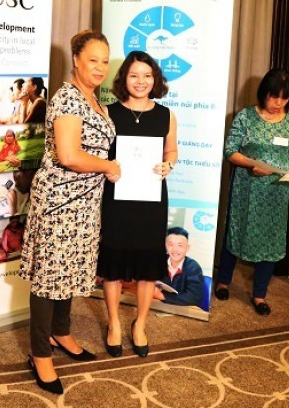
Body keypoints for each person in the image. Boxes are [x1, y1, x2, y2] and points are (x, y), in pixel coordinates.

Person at [18, 30, 120, 394]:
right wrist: (108, 166)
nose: (100, 67)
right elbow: (69, 155)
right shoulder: (66, 98)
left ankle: (61, 332)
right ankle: (40, 353)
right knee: (49, 277)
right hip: (59, 201)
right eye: (93, 60)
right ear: (76, 60)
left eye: (105, 61)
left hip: (85, 202)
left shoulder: (94, 99)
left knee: (69, 269)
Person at [214, 69, 289, 316]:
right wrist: (251, 164)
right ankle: (223, 282)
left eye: (284, 98)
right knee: (236, 231)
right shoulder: (246, 116)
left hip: (277, 192)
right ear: (263, 93)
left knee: (271, 238)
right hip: (247, 188)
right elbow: (230, 150)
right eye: (274, 97)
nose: (279, 103)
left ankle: (259, 294)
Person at [97, 50, 177, 358]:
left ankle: (140, 324)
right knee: (114, 261)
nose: (140, 81)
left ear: (155, 79)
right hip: (116, 197)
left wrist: (169, 165)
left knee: (147, 264)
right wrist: (107, 167)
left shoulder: (166, 115)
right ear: (124, 79)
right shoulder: (108, 112)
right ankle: (114, 323)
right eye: (134, 75)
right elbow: (98, 154)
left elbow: (172, 151)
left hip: (151, 198)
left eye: (146, 75)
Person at [154, 227, 205, 307]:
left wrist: (162, 296)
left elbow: (194, 297)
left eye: (180, 245)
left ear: (187, 248)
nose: (175, 249)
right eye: (171, 245)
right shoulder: (158, 262)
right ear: (165, 246)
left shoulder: (193, 268)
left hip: (183, 310)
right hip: (158, 306)